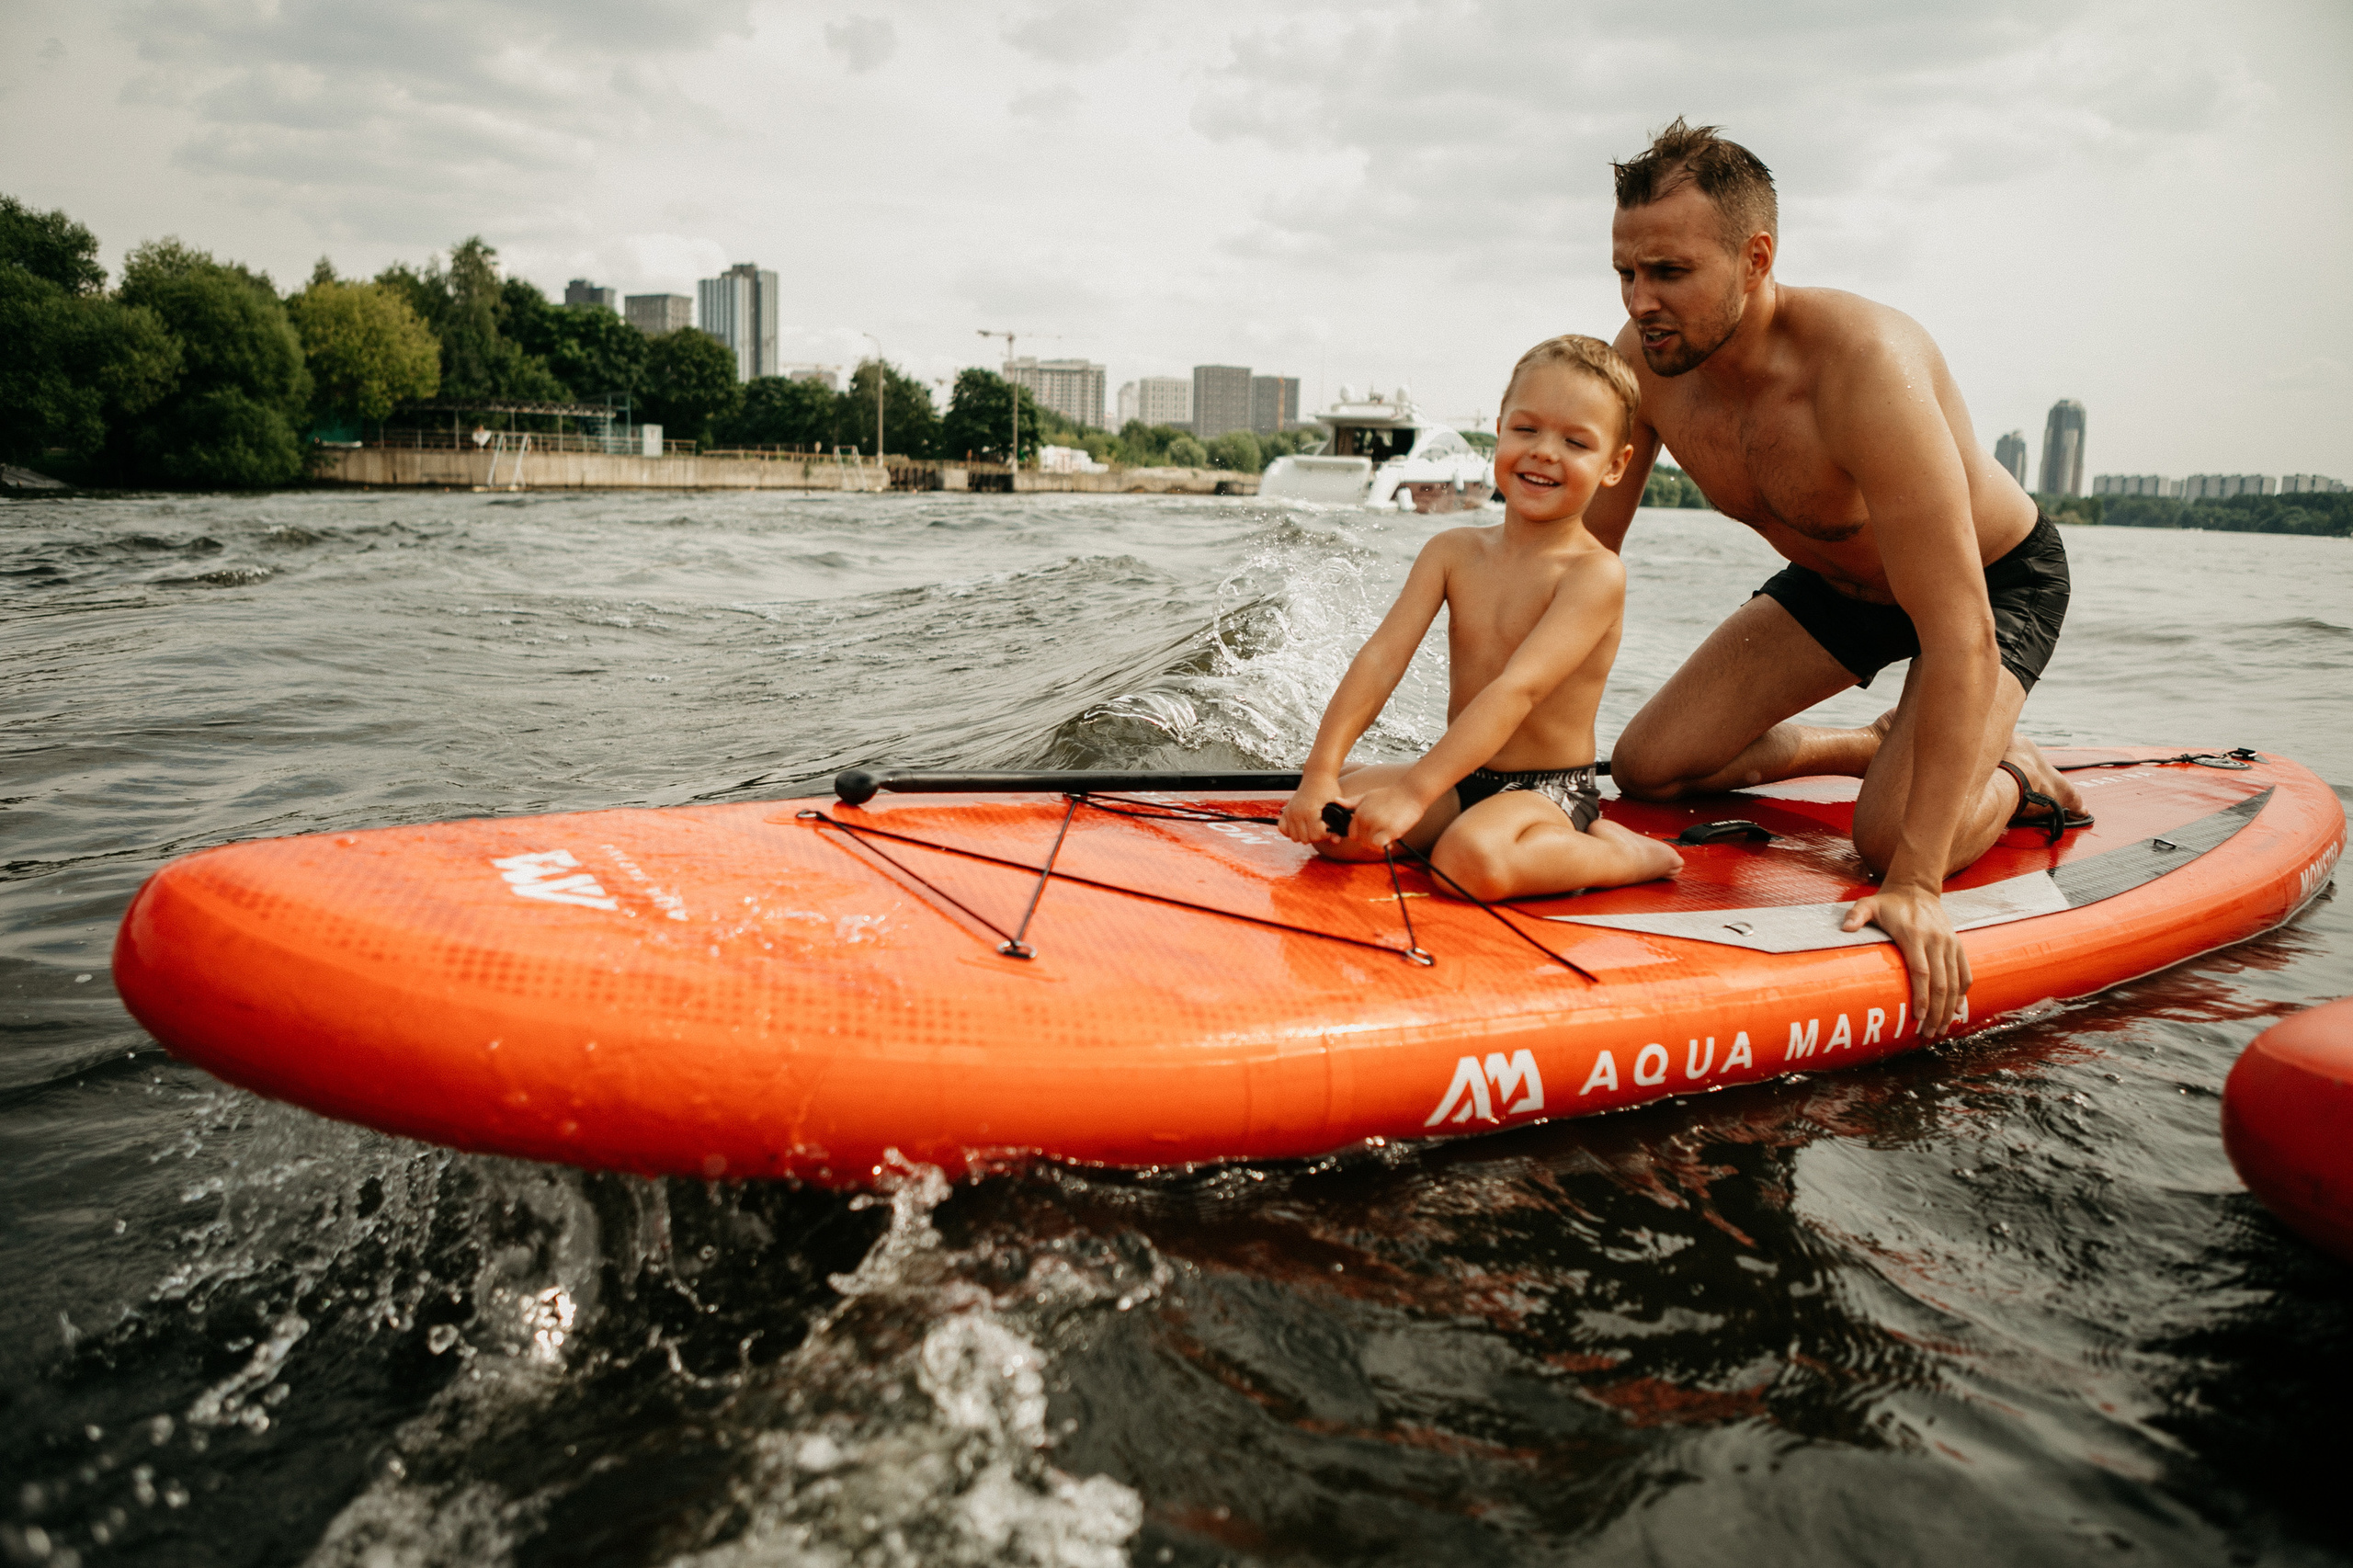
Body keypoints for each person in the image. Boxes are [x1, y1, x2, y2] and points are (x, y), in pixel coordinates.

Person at [1583, 119, 2086, 1040]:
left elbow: (1961, 630)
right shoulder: (1647, 365)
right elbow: (1575, 569)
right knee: (1648, 766)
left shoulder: (1863, 368)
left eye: (1670, 272)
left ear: (1755, 258)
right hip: (1838, 585)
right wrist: (1495, 766)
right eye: (1626, 272)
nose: (1641, 300)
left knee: (1885, 840)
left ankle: (2012, 770)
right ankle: (1867, 740)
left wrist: (1918, 886)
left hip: (1986, 584)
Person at [1279, 335, 1683, 902]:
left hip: (1547, 789)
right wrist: (1320, 770)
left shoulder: (1594, 574)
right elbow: (1382, 657)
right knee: (1336, 824)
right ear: (1499, 430)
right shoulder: (1452, 552)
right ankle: (1438, 813)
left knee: (1467, 864)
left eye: (1575, 441)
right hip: (1460, 775)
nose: (1544, 452)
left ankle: (1620, 853)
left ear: (1615, 465)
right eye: (1526, 429)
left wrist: (1415, 792)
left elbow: (1516, 691)